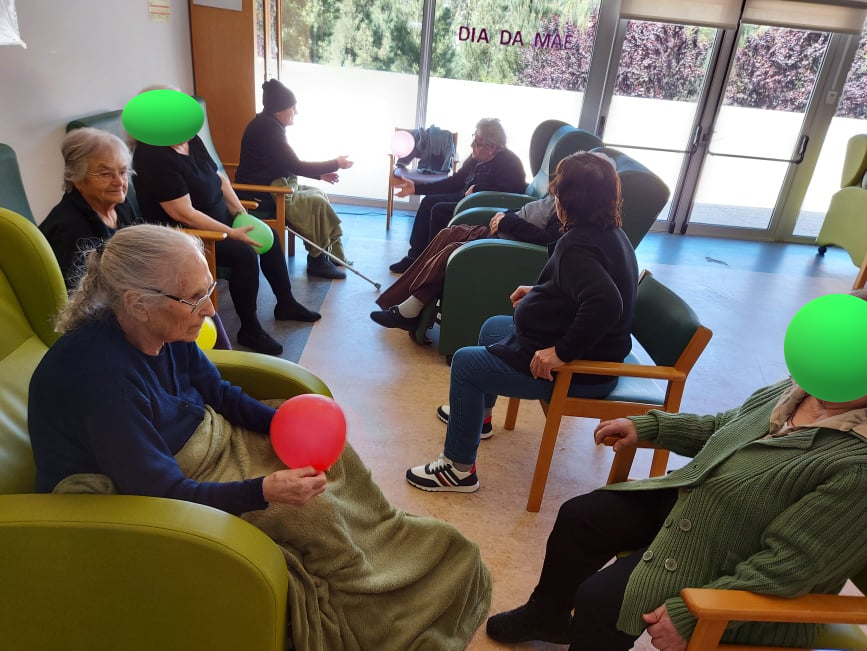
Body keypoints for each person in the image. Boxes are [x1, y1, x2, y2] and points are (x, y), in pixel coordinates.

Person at [27, 224, 492, 649]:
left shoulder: (162, 329)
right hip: (167, 478)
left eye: (209, 288)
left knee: (334, 462)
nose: (210, 309)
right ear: (136, 303)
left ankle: (388, 538)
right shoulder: (102, 379)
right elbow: (163, 492)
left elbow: (219, 393)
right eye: (195, 298)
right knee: (316, 512)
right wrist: (263, 491)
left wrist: (281, 425)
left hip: (202, 439)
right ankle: (380, 613)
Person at [485, 370, 867, 650]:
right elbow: (725, 426)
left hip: (737, 560)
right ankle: (547, 616)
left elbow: (790, 566)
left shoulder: (858, 466)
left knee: (600, 602)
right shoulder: (800, 388)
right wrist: (656, 427)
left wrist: (694, 613)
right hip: (700, 501)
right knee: (580, 517)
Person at [405, 152, 638, 491]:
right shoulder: (609, 231)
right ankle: (479, 419)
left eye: (557, 191)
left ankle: (458, 468)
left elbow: (606, 302)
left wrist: (561, 352)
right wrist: (540, 291)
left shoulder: (579, 245)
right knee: (493, 328)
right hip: (596, 353)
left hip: (585, 371)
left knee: (467, 365)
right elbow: (586, 285)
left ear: (566, 200)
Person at [132, 99, 321, 357]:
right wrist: (230, 233)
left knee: (268, 236)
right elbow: (183, 213)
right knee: (243, 253)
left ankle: (285, 302)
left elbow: (219, 179)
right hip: (187, 237)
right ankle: (250, 328)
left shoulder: (190, 140)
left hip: (220, 220)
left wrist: (242, 214)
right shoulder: (152, 156)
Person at [370, 195, 559, 331]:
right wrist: (504, 215)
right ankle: (402, 304)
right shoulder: (555, 198)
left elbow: (547, 240)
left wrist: (506, 222)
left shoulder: (565, 212)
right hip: (497, 232)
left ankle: (409, 310)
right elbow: (526, 209)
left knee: (451, 252)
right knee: (447, 233)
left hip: (506, 245)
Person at [236, 79, 353, 280]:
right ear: (279, 110)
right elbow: (295, 164)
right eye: (292, 108)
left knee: (318, 194)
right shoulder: (268, 128)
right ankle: (317, 261)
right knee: (314, 201)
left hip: (273, 184)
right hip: (261, 194)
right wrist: (335, 163)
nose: (295, 112)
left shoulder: (269, 124)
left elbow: (285, 163)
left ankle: (326, 254)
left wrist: (319, 175)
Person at [389, 117, 527, 274]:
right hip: (464, 199)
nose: (472, 146)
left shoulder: (509, 163)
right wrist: (417, 188)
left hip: (480, 206)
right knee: (428, 202)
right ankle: (414, 258)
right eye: (474, 139)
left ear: (492, 148)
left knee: (439, 209)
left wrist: (478, 188)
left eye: (477, 143)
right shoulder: (476, 158)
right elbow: (455, 182)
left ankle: (432, 264)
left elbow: (510, 192)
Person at [39, 128, 140, 291]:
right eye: (106, 174)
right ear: (78, 179)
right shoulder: (71, 230)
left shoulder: (122, 207)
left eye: (122, 172)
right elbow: (84, 298)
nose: (119, 182)